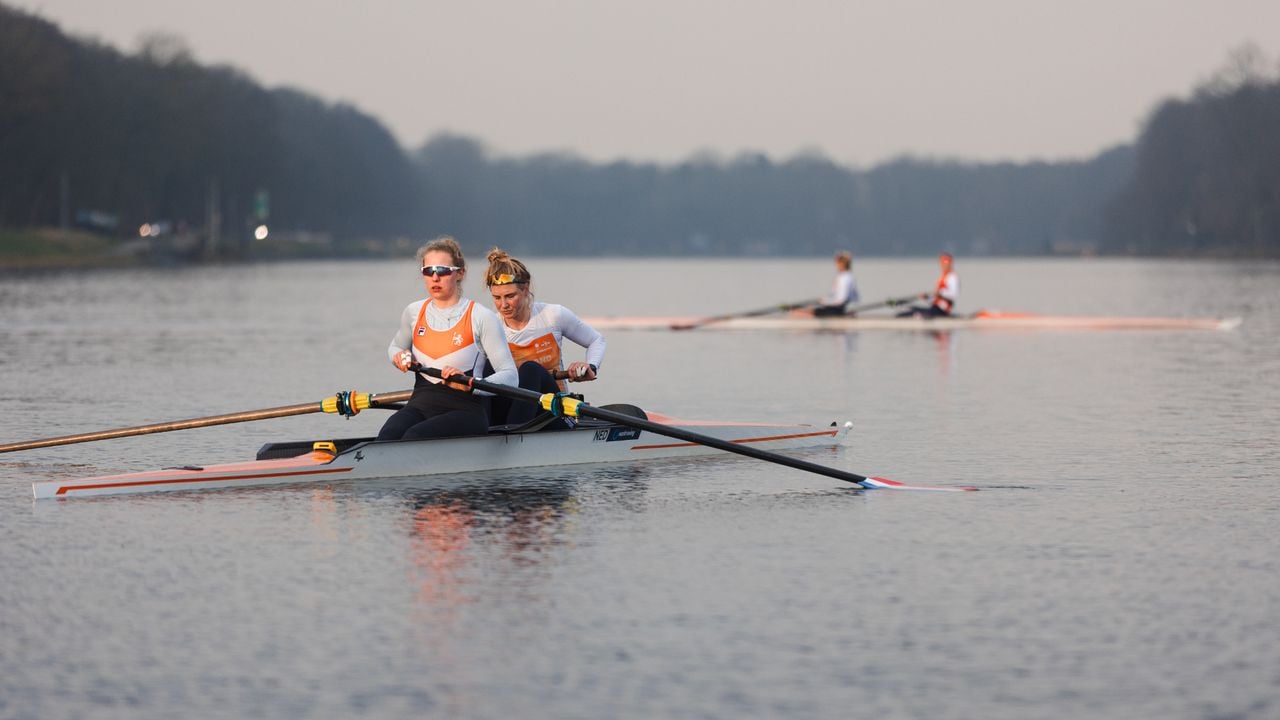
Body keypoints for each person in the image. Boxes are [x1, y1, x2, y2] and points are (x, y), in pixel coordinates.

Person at [377, 236, 519, 441]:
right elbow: (394, 347)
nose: (435, 278)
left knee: (414, 437)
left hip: (466, 412)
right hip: (419, 405)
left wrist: (472, 384)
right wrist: (399, 356)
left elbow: (510, 377)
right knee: (387, 437)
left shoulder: (480, 316)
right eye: (428, 271)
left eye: (443, 271)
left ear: (460, 273)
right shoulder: (413, 312)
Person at [483, 247, 607, 427]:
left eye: (510, 296)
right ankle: (483, 433)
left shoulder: (552, 315)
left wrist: (591, 366)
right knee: (486, 368)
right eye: (497, 298)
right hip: (507, 411)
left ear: (525, 289)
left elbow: (597, 340)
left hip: (553, 412)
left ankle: (513, 436)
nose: (503, 305)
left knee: (530, 370)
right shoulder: (489, 325)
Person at [794, 250, 860, 316]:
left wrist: (826, 302)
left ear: (842, 264)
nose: (836, 265)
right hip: (836, 308)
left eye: (837, 262)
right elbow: (854, 298)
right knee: (804, 310)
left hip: (837, 310)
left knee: (797, 313)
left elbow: (841, 300)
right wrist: (825, 300)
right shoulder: (845, 276)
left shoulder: (845, 278)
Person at [899, 251, 959, 317]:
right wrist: (926, 297)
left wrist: (939, 293)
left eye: (947, 263)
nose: (944, 265)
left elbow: (952, 295)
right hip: (935, 308)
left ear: (950, 263)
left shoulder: (952, 277)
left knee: (912, 313)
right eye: (942, 263)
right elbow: (936, 298)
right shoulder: (943, 277)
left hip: (941, 310)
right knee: (910, 308)